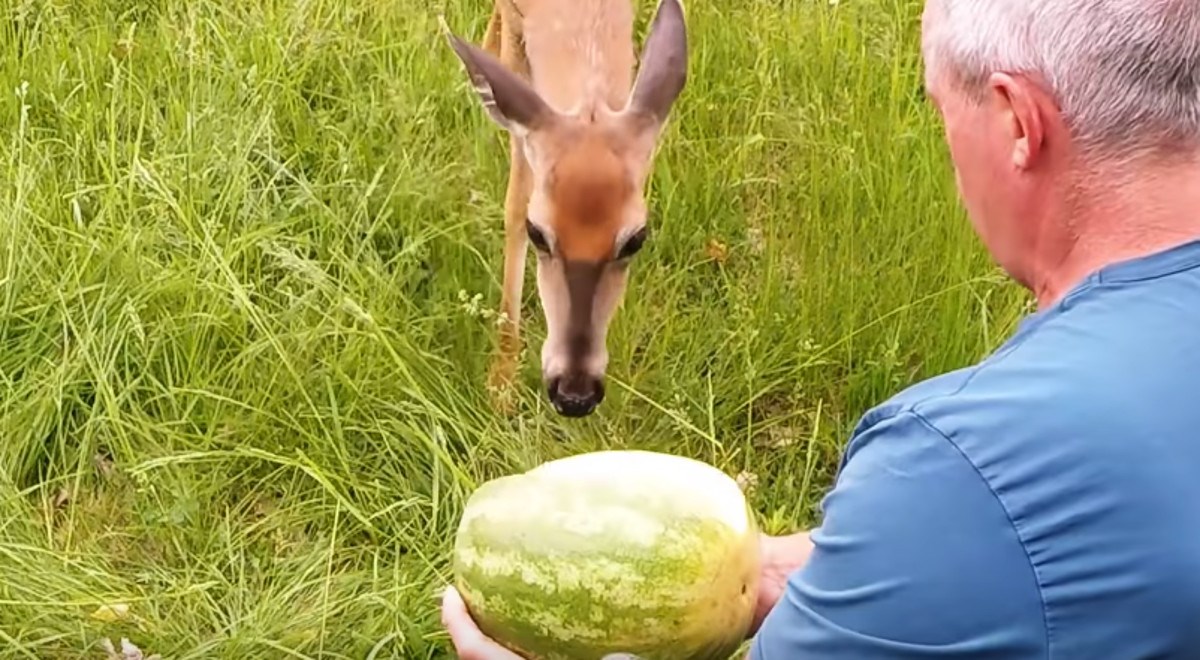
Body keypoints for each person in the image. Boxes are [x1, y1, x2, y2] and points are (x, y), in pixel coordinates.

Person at [441, 0, 1200, 656]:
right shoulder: (985, 499)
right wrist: (793, 569)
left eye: (939, 107)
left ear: (1017, 123)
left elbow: (996, 516)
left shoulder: (957, 466)